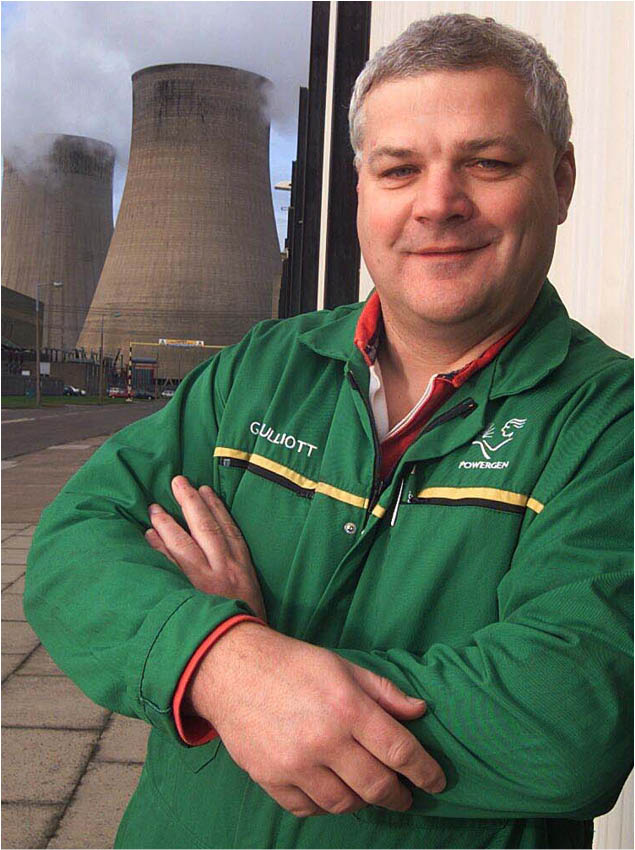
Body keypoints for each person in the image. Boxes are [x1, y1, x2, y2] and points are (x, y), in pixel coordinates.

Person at [25, 13, 632, 850]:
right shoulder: (260, 371)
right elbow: (74, 546)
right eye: (398, 169)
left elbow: (566, 716)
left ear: (560, 180)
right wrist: (225, 663)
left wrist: (254, 666)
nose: (436, 204)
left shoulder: (607, 425)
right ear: (361, 191)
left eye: (487, 164)